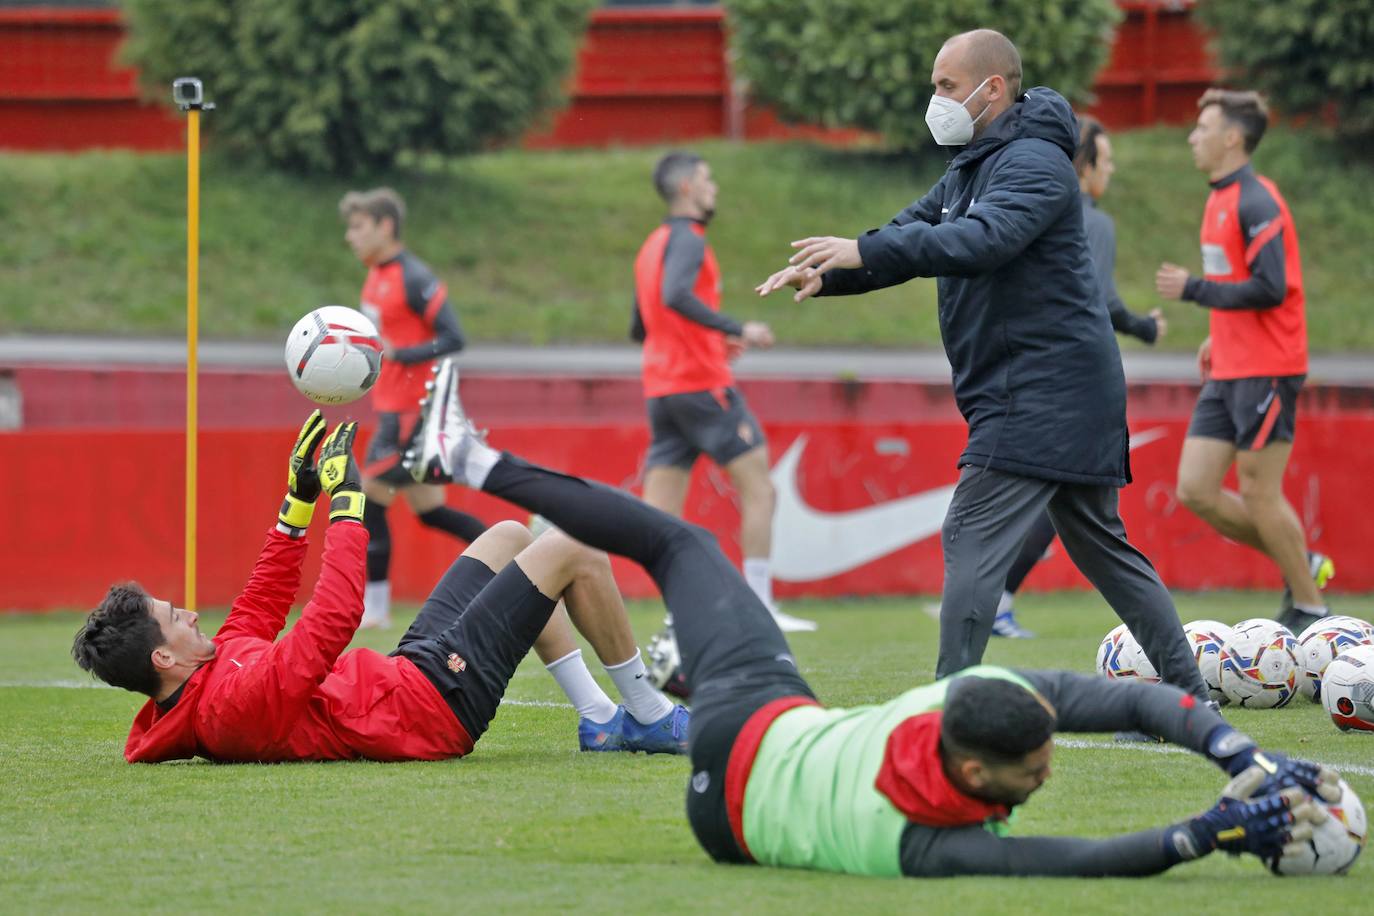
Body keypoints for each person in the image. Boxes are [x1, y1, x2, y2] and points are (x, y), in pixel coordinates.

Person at [406, 356, 1335, 878]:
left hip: (740, 756)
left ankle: (476, 460)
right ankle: (475, 463)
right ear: (973, 768)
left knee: (681, 547)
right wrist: (1214, 827)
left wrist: (1239, 763)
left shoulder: (953, 738)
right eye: (1035, 765)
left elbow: (1136, 714)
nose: (1051, 766)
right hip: (761, 743)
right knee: (684, 543)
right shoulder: (938, 843)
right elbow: (1086, 858)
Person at [753, 29, 1205, 697]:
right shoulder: (971, 165)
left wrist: (863, 249)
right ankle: (1191, 693)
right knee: (1104, 549)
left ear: (992, 88)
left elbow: (981, 240)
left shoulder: (1035, 164)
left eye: (945, 86)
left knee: (969, 532)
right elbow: (909, 236)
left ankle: (949, 701)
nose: (935, 101)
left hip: (1040, 390)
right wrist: (833, 271)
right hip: (1052, 389)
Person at [71, 412, 689, 763]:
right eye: (175, 616)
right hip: (431, 707)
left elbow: (261, 602)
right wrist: (348, 505)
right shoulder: (230, 707)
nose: (191, 613)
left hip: (406, 677)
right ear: (163, 657)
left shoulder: (209, 676)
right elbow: (331, 619)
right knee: (573, 547)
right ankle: (649, 714)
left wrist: (298, 503)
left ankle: (599, 720)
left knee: (508, 538)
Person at [1154, 90, 1333, 633]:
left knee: (1259, 491)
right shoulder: (1218, 197)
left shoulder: (1258, 201)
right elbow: (1238, 283)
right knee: (1195, 490)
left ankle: (1313, 610)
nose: (1192, 137)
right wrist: (1217, 332)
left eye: (1203, 128)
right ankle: (1300, 564)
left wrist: (1194, 290)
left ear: (1232, 137)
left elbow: (1270, 287)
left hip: (1268, 367)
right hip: (1229, 365)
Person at [992, 115, 1168, 639]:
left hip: (1023, 370)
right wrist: (1146, 326)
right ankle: (993, 597)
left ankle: (988, 596)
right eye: (1106, 162)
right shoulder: (1091, 220)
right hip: (1079, 385)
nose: (1108, 172)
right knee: (1080, 511)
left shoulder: (1026, 207)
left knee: (1041, 497)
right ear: (1084, 164)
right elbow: (1102, 299)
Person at [630, 151, 816, 634]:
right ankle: (760, 606)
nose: (715, 189)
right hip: (702, 387)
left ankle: (677, 613)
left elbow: (641, 324)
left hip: (662, 390)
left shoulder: (651, 245)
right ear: (688, 187)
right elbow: (675, 296)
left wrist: (711, 338)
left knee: (657, 519)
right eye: (709, 180)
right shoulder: (690, 240)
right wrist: (738, 328)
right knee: (761, 489)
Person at [340, 187, 485, 630]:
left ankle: (375, 610)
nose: (351, 236)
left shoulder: (414, 276)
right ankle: (520, 555)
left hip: (415, 414)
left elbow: (454, 337)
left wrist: (399, 355)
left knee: (367, 500)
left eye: (359, 226)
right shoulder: (373, 275)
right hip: (391, 409)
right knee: (431, 512)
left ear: (386, 226)